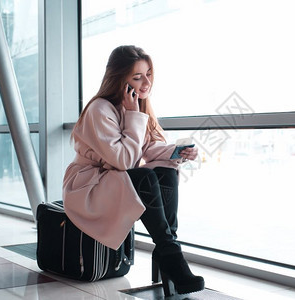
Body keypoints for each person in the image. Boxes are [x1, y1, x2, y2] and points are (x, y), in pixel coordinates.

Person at [62, 45, 204, 296]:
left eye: (148, 74)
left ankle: (168, 249)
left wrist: (177, 152)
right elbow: (125, 161)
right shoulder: (100, 110)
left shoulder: (136, 107)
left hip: (111, 180)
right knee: (145, 176)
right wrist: (132, 115)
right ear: (120, 80)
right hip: (87, 187)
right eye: (137, 77)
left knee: (165, 171)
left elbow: (147, 149)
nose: (146, 82)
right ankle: (171, 256)